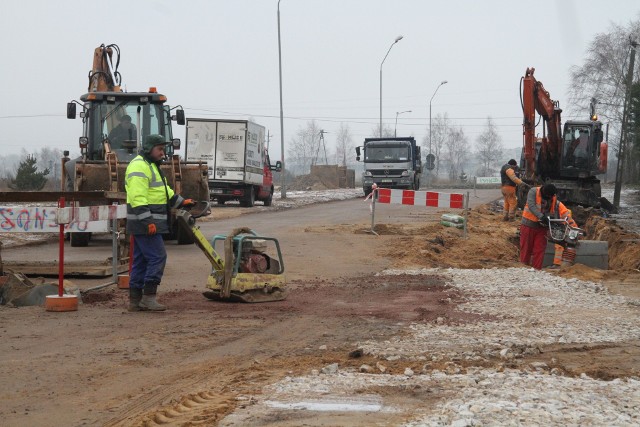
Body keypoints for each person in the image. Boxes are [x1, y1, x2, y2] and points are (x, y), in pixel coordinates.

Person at [125, 134, 195, 311]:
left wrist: (181, 202)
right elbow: (137, 197)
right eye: (160, 149)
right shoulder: (139, 166)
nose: (163, 153)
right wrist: (147, 221)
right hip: (146, 224)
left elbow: (164, 191)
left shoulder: (151, 166)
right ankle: (148, 298)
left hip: (147, 223)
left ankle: (135, 301)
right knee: (158, 257)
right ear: (150, 149)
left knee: (141, 261)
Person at [520, 183, 572, 270]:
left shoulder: (553, 197)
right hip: (528, 224)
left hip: (542, 227)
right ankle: (523, 269)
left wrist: (554, 221)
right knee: (526, 249)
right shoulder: (533, 191)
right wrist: (541, 216)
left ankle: (536, 270)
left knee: (539, 250)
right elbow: (531, 206)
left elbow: (554, 209)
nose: (549, 198)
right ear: (543, 191)